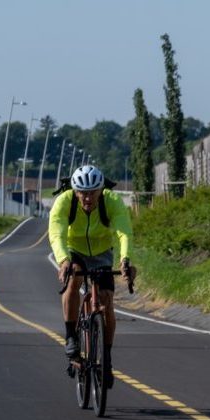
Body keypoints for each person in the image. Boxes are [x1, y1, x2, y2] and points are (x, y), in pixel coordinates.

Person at [48, 165, 135, 388]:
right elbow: (56, 233)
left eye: (93, 192)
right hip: (73, 249)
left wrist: (125, 260)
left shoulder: (111, 201)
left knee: (106, 301)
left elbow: (124, 232)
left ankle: (106, 357)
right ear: (75, 191)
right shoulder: (65, 202)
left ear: (100, 190)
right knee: (74, 278)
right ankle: (71, 337)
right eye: (83, 193)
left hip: (102, 252)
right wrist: (63, 260)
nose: (88, 198)